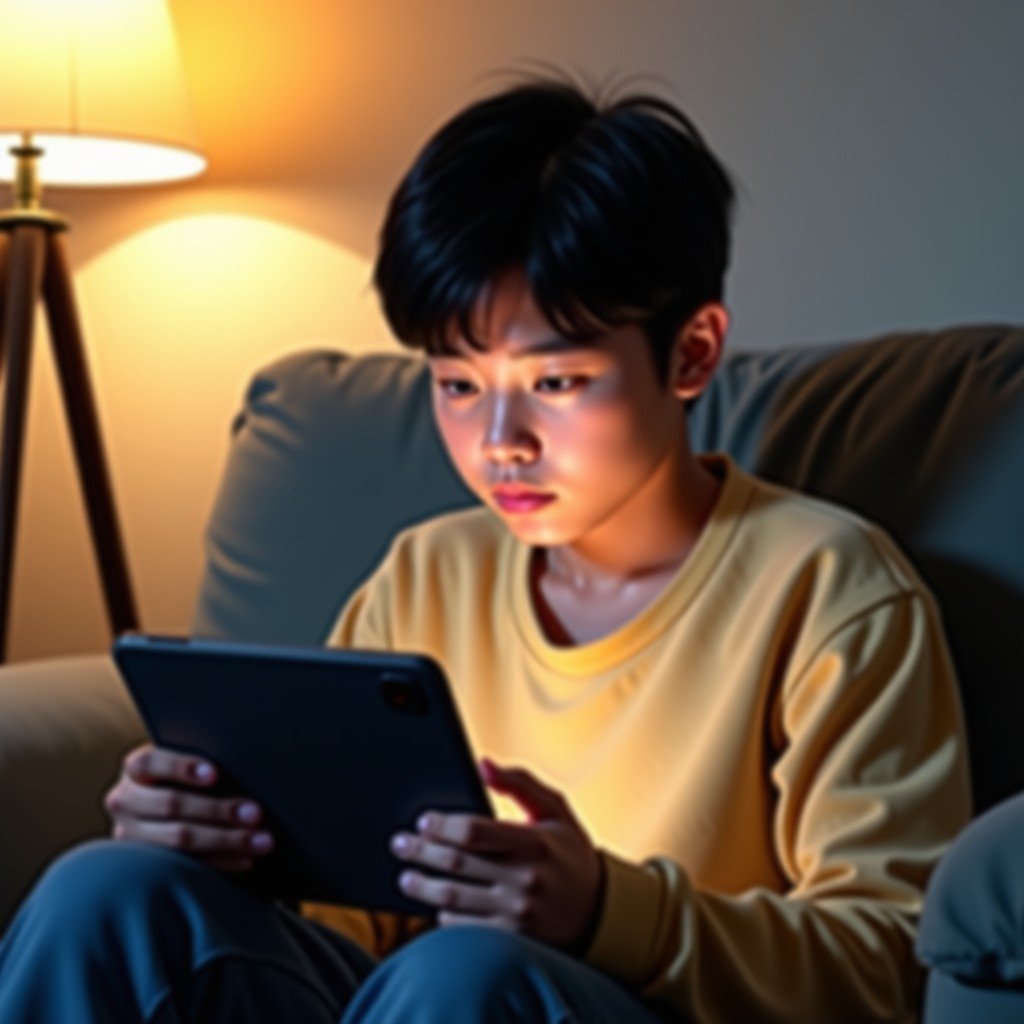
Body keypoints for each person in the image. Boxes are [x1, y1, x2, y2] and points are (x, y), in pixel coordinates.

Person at [0, 76, 970, 1023]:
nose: (499, 439)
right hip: (413, 996)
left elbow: (893, 965)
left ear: (692, 352)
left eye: (556, 382)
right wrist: (215, 844)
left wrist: (604, 912)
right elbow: (348, 926)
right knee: (107, 890)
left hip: (558, 999)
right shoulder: (423, 575)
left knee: (466, 970)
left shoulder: (830, 589)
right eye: (458, 384)